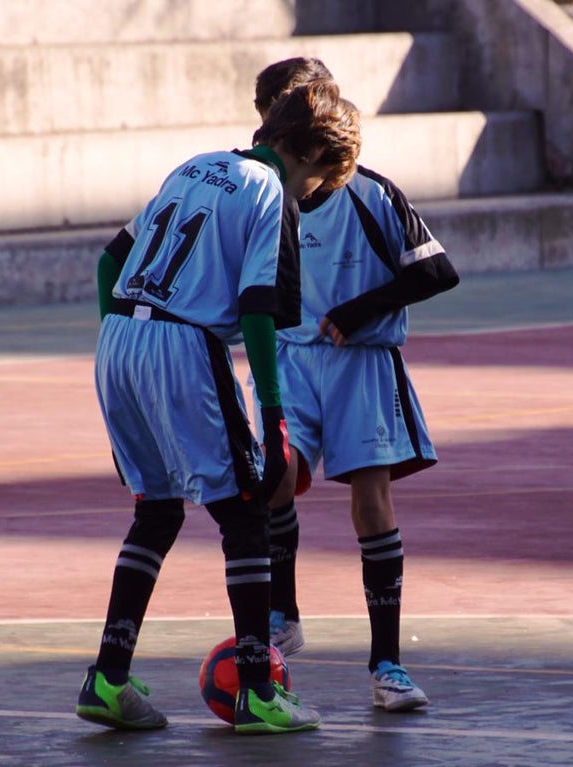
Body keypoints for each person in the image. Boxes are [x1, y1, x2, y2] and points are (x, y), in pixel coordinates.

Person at [75, 78, 362, 735]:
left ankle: (107, 678)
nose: (312, 195)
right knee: (247, 512)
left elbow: (108, 262)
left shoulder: (194, 166)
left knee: (157, 510)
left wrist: (127, 350)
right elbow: (258, 308)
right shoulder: (270, 194)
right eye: (320, 181)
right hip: (183, 345)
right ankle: (258, 691)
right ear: (311, 156)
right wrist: (275, 415)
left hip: (118, 339)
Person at [252, 58, 460, 712]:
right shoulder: (260, 194)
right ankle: (282, 612)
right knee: (273, 478)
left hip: (360, 363)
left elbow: (438, 272)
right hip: (290, 358)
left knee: (372, 501)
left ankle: (387, 664)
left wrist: (360, 309)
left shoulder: (371, 195)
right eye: (276, 109)